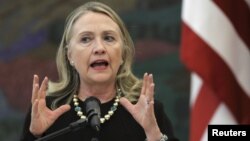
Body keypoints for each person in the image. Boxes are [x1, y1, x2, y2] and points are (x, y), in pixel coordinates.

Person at [20, 1, 179, 141]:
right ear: (70, 56)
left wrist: (154, 135)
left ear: (123, 53)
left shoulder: (149, 111)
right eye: (86, 39)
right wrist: (35, 136)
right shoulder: (48, 109)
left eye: (108, 38)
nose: (99, 48)